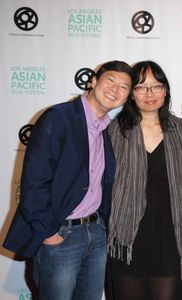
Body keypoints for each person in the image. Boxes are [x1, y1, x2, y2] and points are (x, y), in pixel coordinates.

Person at [3, 60, 133, 299]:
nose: (116, 89)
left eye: (124, 87)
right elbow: (34, 181)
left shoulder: (107, 128)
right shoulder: (59, 117)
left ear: (126, 97)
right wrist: (48, 233)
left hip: (96, 233)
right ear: (93, 81)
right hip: (61, 234)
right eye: (110, 80)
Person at [106, 60, 182, 300]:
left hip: (170, 231)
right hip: (128, 233)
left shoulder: (180, 129)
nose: (149, 93)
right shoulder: (116, 130)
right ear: (131, 94)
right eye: (141, 87)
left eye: (156, 86)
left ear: (165, 91)